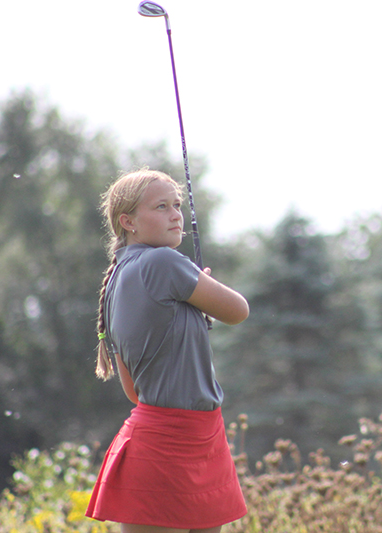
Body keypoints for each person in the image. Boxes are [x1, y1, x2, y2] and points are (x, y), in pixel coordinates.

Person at [85, 169, 249, 533]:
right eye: (161, 207)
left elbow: (134, 392)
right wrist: (202, 284)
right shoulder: (164, 262)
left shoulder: (116, 279)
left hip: (186, 438)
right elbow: (239, 311)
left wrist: (194, 299)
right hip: (172, 446)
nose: (176, 214)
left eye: (177, 205)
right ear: (128, 222)